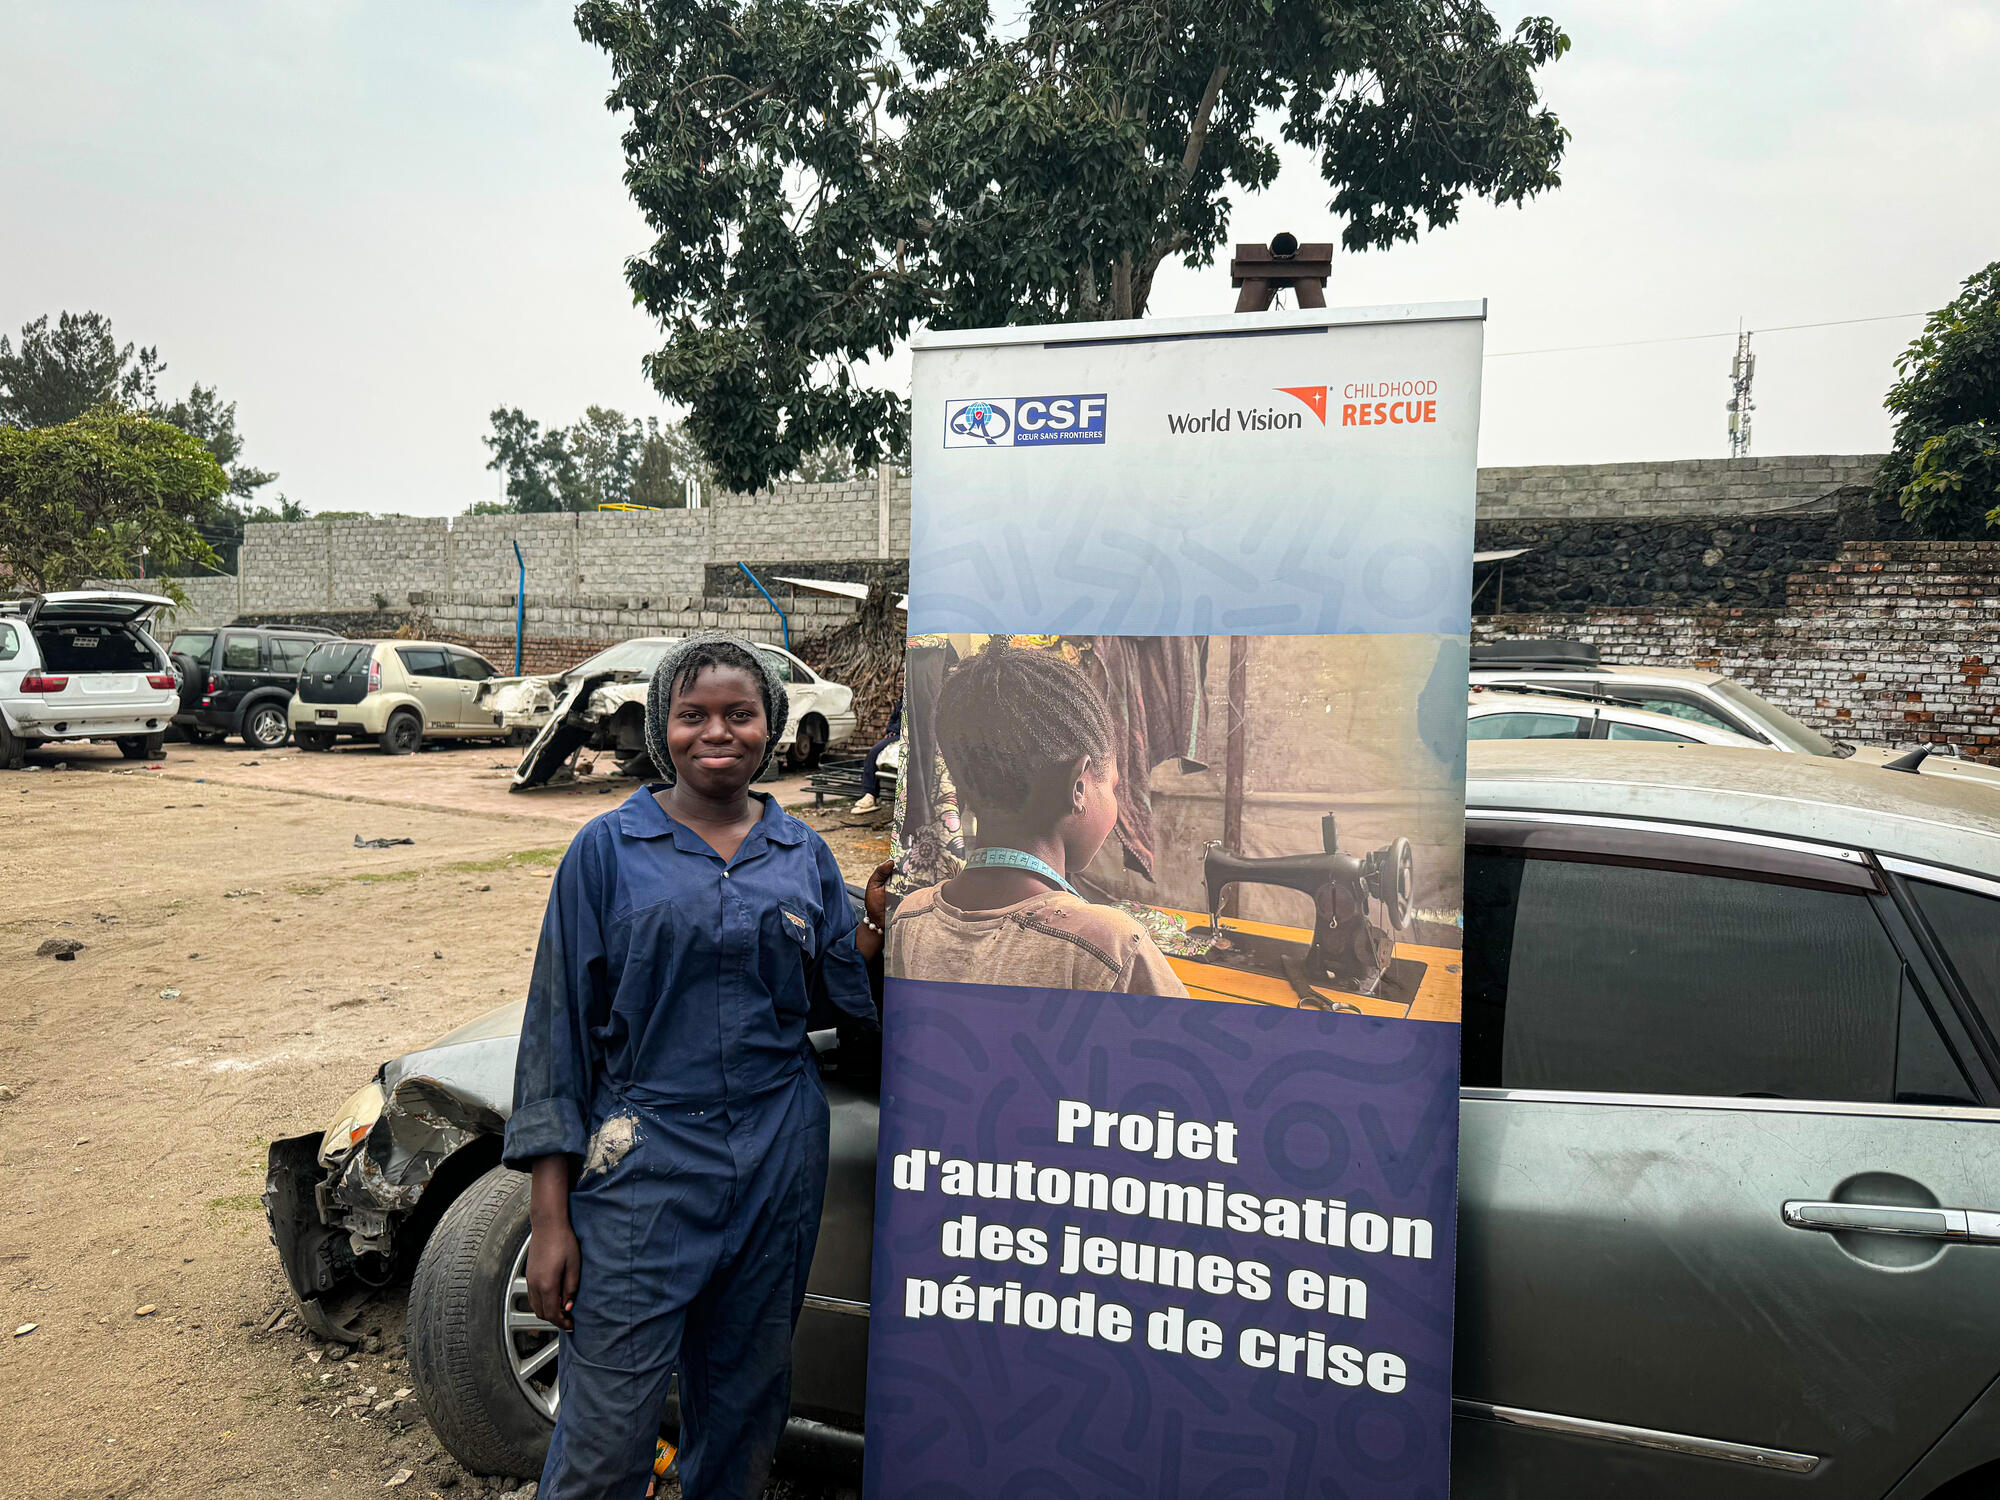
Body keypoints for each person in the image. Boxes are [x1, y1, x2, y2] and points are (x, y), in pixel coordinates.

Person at [503, 633, 886, 1500]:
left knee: (746, 1412)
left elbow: (835, 1007)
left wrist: (866, 937)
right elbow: (557, 1036)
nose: (718, 732)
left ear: (772, 727)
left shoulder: (802, 855)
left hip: (778, 1154)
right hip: (643, 1160)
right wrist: (552, 1219)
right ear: (663, 728)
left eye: (740, 714)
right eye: (694, 715)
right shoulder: (607, 851)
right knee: (605, 1434)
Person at [888, 638, 1188, 998]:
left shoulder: (910, 918)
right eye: (1112, 786)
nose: (1116, 800)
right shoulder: (1112, 947)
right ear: (1078, 786)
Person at [849, 696, 903, 814]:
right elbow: (892, 720)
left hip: (906, 735)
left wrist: (896, 730)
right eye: (898, 680)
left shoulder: (917, 698)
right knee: (873, 753)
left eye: (902, 680)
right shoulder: (900, 700)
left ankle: (870, 794)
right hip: (896, 734)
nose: (900, 683)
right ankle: (869, 795)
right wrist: (891, 730)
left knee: (875, 752)